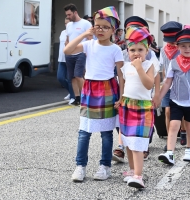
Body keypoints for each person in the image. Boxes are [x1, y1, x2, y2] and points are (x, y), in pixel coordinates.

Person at [64, 6, 124, 182]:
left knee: (106, 132)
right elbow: (67, 50)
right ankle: (80, 166)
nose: (101, 30)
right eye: (97, 26)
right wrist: (84, 34)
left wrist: (121, 97)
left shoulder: (115, 49)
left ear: (113, 30)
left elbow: (121, 75)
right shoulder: (88, 45)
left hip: (108, 89)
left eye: (105, 27)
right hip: (89, 90)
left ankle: (105, 166)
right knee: (84, 131)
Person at [112, 16, 160, 162]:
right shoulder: (125, 52)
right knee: (124, 122)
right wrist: (120, 97)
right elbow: (122, 78)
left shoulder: (148, 54)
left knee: (142, 124)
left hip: (144, 96)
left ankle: (142, 148)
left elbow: (156, 75)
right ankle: (122, 146)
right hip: (128, 96)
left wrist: (157, 93)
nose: (136, 52)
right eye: (129, 28)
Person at [158, 29, 190, 165]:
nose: (187, 48)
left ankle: (189, 150)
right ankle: (170, 152)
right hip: (176, 99)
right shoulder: (173, 63)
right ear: (178, 47)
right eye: (183, 46)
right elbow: (167, 82)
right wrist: (159, 97)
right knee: (174, 125)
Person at [118, 26, 155, 189]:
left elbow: (148, 85)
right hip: (127, 106)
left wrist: (139, 68)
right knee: (128, 141)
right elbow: (124, 85)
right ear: (127, 51)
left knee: (138, 143)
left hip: (142, 108)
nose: (136, 53)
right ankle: (132, 170)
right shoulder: (125, 67)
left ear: (147, 50)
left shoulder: (148, 65)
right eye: (132, 50)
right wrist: (120, 99)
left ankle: (138, 176)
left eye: (140, 49)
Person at [159, 21, 183, 150]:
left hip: (180, 84)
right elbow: (163, 67)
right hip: (168, 84)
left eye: (173, 40)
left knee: (181, 112)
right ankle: (169, 139)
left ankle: (183, 131)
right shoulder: (163, 50)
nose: (172, 42)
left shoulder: (183, 48)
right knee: (167, 111)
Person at [64, 4, 92, 105]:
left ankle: (86, 96)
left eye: (69, 14)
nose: (68, 17)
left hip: (81, 53)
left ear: (75, 12)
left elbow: (90, 39)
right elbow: (67, 39)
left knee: (78, 75)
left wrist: (88, 53)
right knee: (72, 77)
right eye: (67, 15)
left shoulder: (86, 24)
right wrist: (67, 47)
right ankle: (77, 97)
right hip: (69, 54)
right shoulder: (69, 25)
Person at [57, 18, 75, 104]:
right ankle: (71, 92)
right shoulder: (62, 32)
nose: (66, 25)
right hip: (61, 59)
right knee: (60, 77)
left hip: (70, 58)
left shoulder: (73, 33)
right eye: (65, 23)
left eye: (67, 23)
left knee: (70, 79)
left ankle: (73, 96)